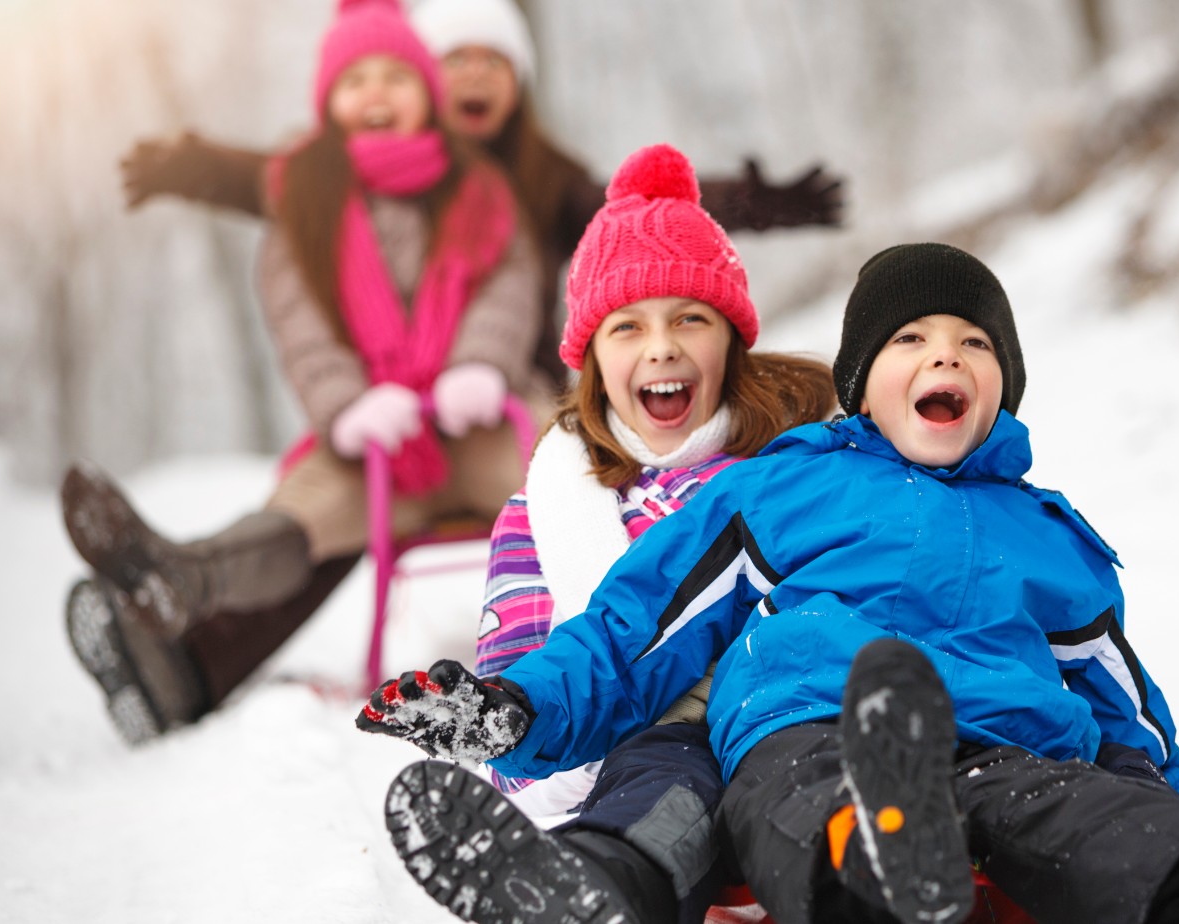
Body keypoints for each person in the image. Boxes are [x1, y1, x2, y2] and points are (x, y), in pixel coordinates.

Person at [358, 242, 1179, 924]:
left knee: (1119, 830)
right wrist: (514, 710)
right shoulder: (783, 488)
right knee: (798, 798)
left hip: (1010, 753)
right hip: (811, 729)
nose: (945, 360)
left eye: (973, 346)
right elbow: (637, 625)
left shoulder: (1048, 536)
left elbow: (1124, 711)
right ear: (861, 384)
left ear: (1002, 389)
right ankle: (874, 855)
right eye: (912, 343)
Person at [357, 142, 833, 924]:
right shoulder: (547, 510)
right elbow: (526, 658)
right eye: (627, 327)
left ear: (731, 342)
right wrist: (494, 716)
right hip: (643, 755)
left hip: (790, 725)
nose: (661, 347)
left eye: (690, 318)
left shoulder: (793, 467)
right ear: (593, 360)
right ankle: (587, 894)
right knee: (668, 784)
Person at [63, 0, 550, 744]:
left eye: (395, 75)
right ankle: (181, 579)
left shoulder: (477, 188)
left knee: (567, 476)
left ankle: (644, 618)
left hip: (479, 415)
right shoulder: (306, 198)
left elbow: (509, 282)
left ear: (427, 91)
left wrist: (480, 363)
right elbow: (302, 320)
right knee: (301, 514)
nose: (377, 93)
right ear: (328, 104)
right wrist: (346, 402)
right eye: (355, 81)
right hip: (376, 435)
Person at [117, 0, 845, 386]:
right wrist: (189, 162)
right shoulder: (371, 177)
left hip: (511, 388)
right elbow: (272, 179)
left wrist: (753, 202)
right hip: (388, 393)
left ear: (517, 83)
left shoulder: (541, 179)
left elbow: (636, 209)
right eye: (454, 59)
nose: (473, 76)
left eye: (492, 61)